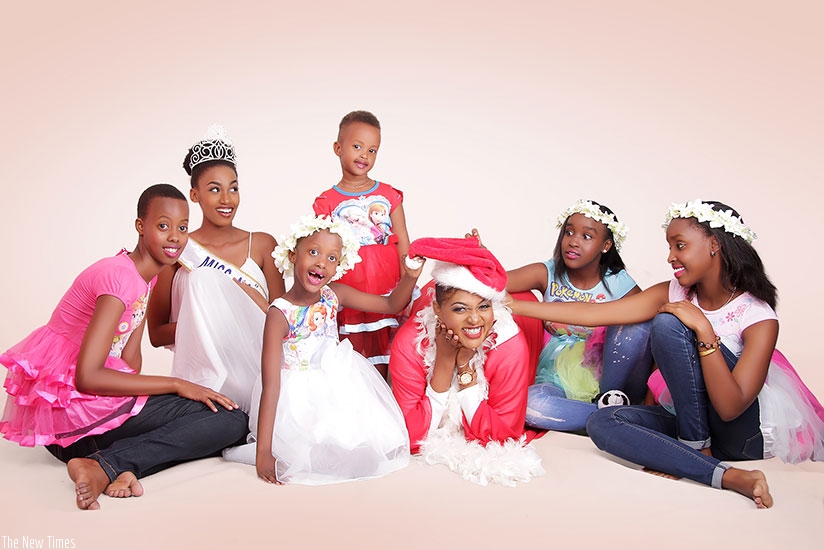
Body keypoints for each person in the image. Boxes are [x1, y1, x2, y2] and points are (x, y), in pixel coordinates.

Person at [509, 199, 824, 507]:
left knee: (668, 324)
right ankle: (727, 476)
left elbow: (730, 407)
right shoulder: (673, 291)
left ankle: (693, 450)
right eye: (670, 246)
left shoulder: (758, 316)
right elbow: (600, 314)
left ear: (714, 245)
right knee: (603, 423)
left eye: (680, 245)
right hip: (688, 420)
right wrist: (512, 304)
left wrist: (703, 331)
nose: (671, 257)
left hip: (737, 435)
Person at [0, 184, 248, 510]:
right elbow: (88, 377)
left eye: (182, 228)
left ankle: (117, 465)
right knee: (232, 422)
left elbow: (128, 367)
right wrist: (176, 384)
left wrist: (174, 393)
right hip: (73, 426)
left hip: (83, 429)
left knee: (215, 414)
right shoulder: (118, 278)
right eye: (163, 226)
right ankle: (108, 464)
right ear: (140, 227)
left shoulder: (143, 277)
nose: (174, 236)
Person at [222, 215, 423, 485]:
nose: (321, 262)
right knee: (310, 450)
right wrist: (264, 453)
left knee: (362, 447)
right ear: (293, 255)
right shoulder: (279, 313)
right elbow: (271, 385)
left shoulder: (334, 294)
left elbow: (391, 305)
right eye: (314, 252)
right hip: (298, 397)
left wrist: (410, 276)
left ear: (338, 266)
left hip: (338, 383)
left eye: (331, 258)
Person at [147, 125, 285, 413]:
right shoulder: (177, 251)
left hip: (261, 372)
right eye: (214, 190)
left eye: (233, 188)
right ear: (194, 195)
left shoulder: (261, 245)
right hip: (205, 381)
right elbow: (157, 333)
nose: (227, 199)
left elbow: (284, 320)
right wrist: (215, 323)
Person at [389, 237, 546, 486]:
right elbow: (410, 436)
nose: (475, 320)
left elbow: (504, 437)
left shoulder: (508, 344)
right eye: (460, 309)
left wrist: (465, 368)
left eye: (483, 306)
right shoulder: (410, 342)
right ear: (437, 310)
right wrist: (443, 362)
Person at [491, 199, 653, 432]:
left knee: (637, 324)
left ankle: (612, 403)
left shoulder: (618, 282)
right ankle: (616, 418)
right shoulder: (546, 272)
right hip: (555, 375)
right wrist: (483, 259)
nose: (574, 241)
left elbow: (645, 336)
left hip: (608, 377)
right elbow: (495, 284)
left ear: (605, 245)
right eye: (569, 232)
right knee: (532, 407)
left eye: (587, 236)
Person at [312, 110, 411, 378]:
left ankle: (382, 408)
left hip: (387, 291)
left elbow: (403, 240)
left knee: (385, 358)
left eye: (372, 150)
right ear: (338, 148)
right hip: (351, 294)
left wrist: (407, 283)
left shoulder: (389, 195)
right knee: (351, 360)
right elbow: (321, 251)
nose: (364, 155)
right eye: (357, 146)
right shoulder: (327, 201)